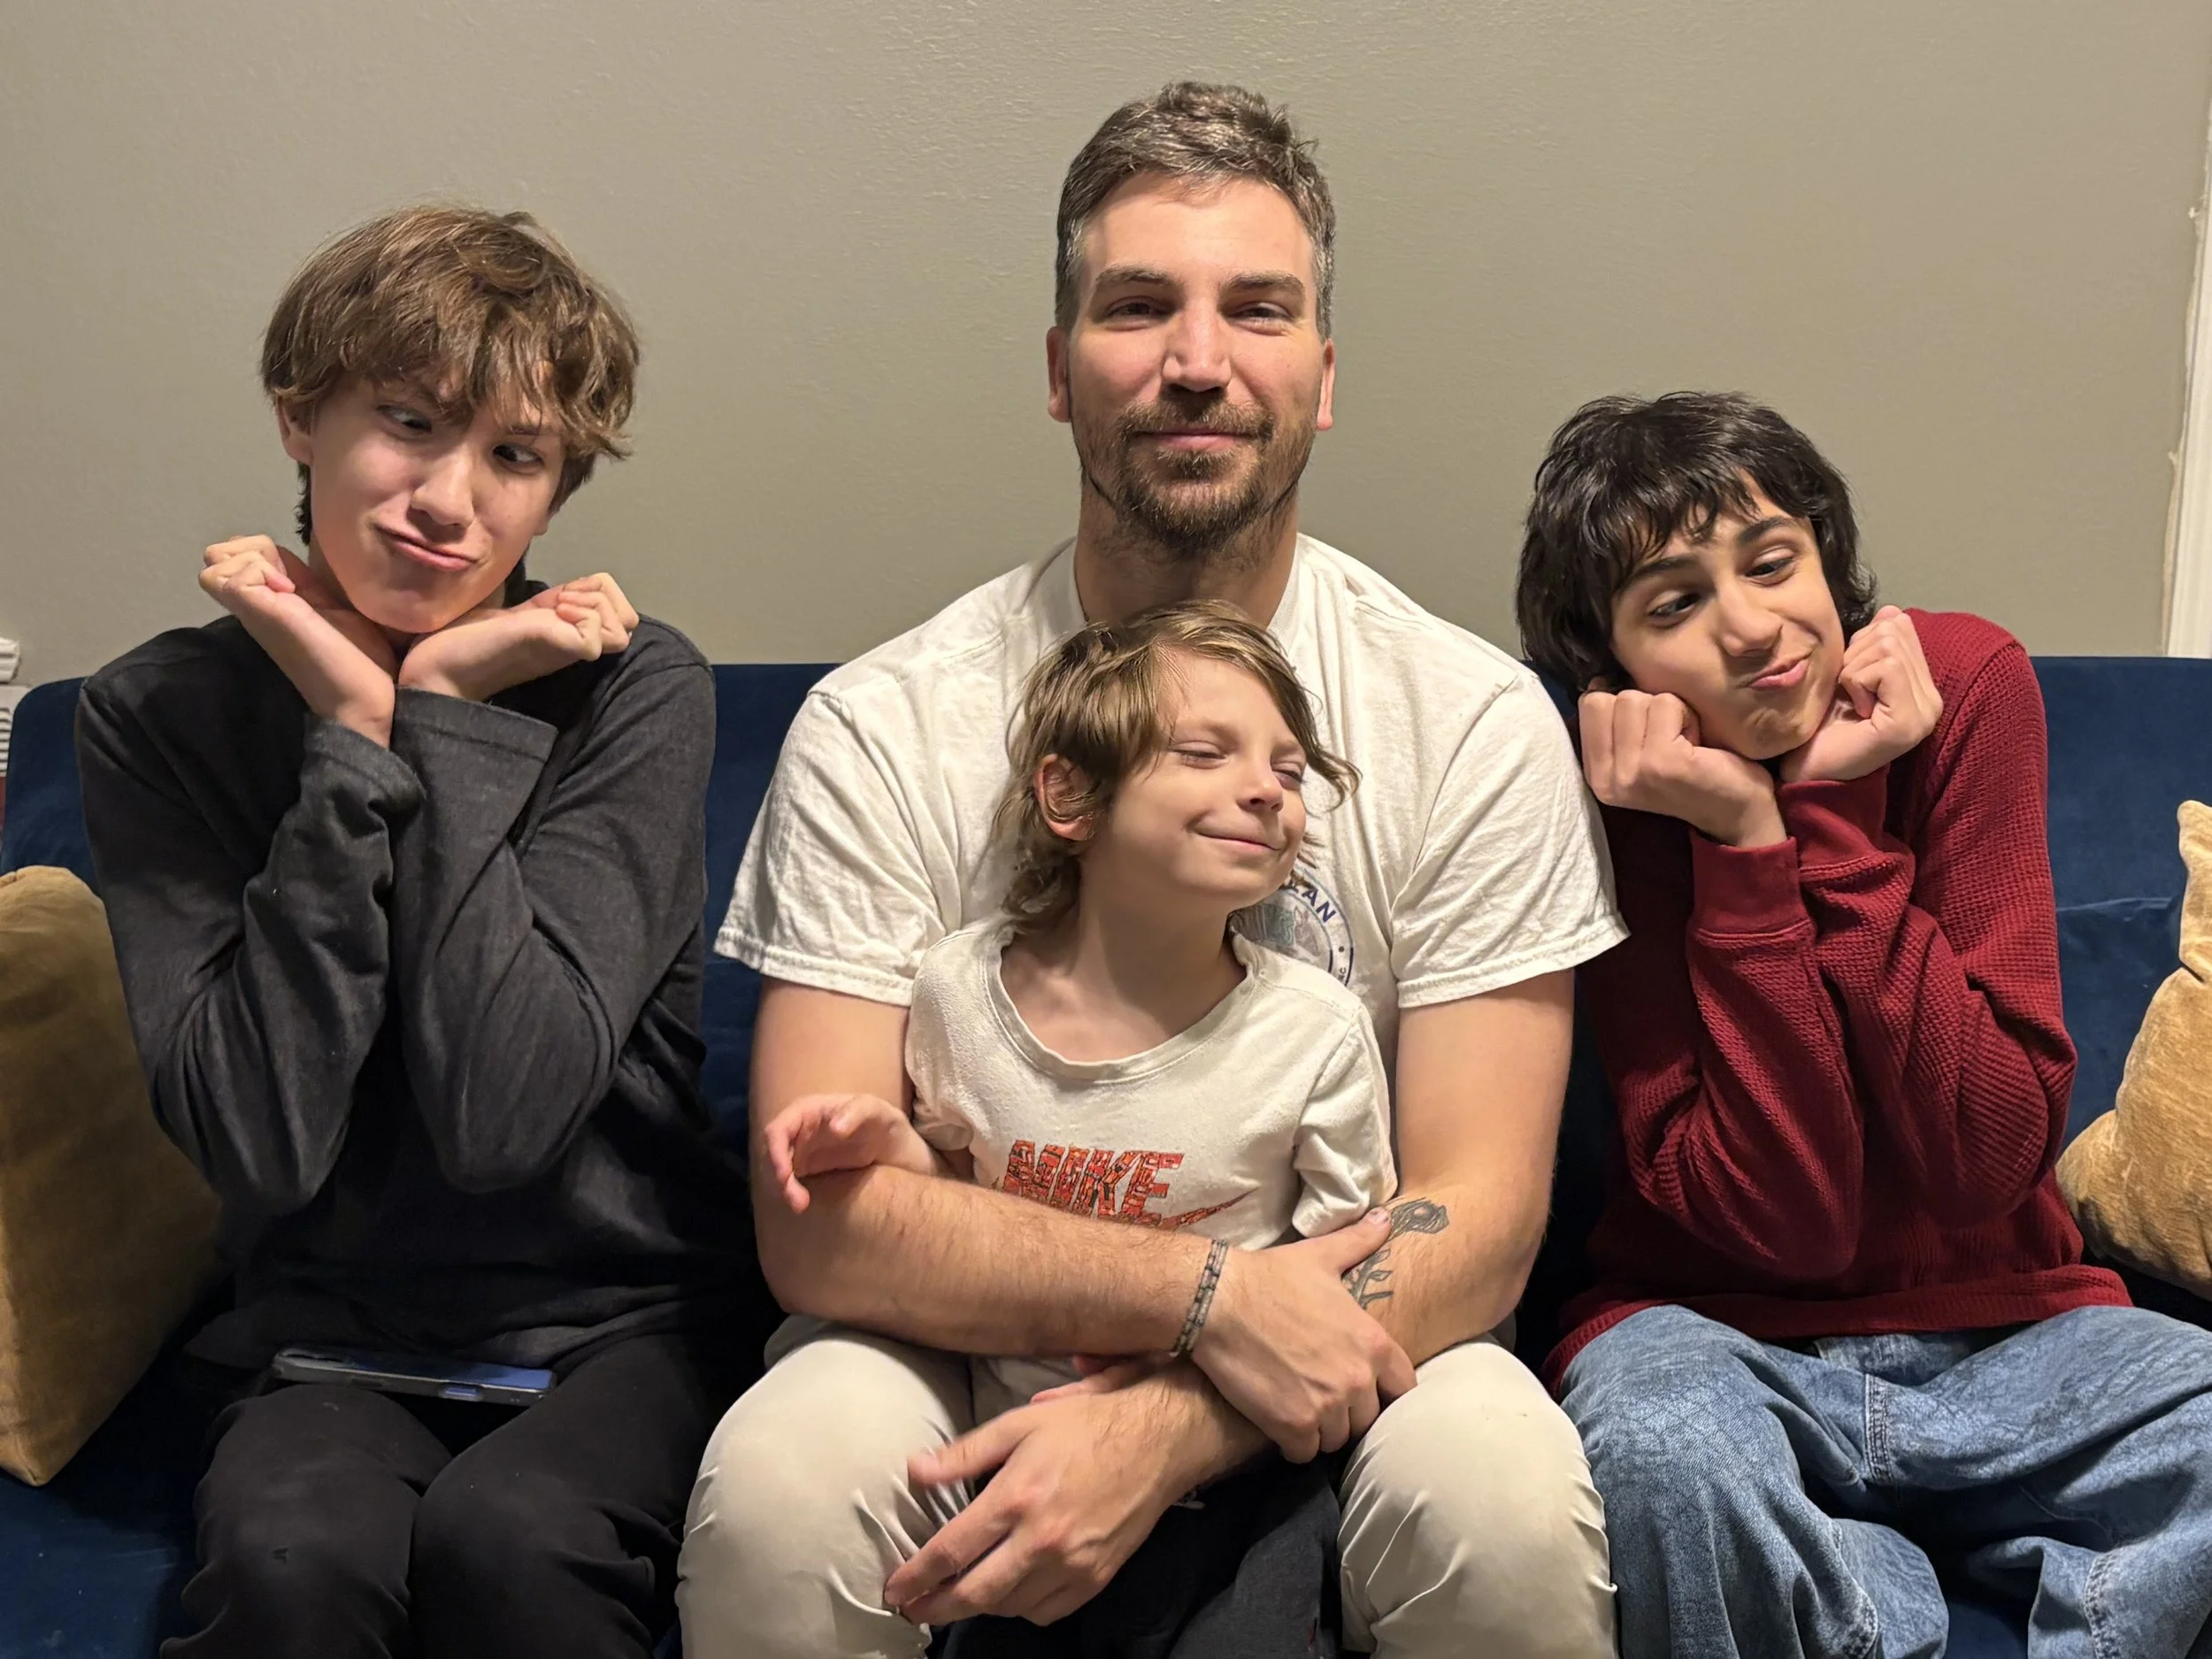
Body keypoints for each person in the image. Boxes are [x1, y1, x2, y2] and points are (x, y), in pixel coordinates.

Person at [680, 83, 1623, 1659]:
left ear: (1323, 379)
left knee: (1505, 1487)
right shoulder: (887, 724)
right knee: (786, 1475)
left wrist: (1173, 1420)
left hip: (1359, 1353)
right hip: (951, 1351)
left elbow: (1479, 1214)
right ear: (1060, 374)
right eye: (1139, 307)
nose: (1199, 360)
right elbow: (824, 1230)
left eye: (1259, 309)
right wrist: (1203, 1300)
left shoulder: (1462, 721)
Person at [75, 204, 769, 1659]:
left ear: (552, 495)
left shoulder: (635, 693)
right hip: (329, 1328)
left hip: (617, 1318)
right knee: (288, 1559)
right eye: (408, 423)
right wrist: (354, 740)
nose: (448, 501)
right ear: (300, 420)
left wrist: (447, 719)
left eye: (512, 457)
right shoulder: (159, 717)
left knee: (512, 1548)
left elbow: (505, 1115)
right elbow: (256, 1140)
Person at [1514, 389, 2212, 1659]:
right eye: (1674, 604)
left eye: (1773, 561)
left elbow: (1990, 1152)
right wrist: (1738, 843)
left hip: (2018, 1329)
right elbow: (1795, 1218)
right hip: (1719, 1334)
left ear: (1828, 556)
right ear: (1616, 676)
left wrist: (1828, 821)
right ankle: (1861, 1604)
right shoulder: (1595, 789)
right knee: (1654, 1442)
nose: (1752, 626)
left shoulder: (1965, 683)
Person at [764, 602, 1395, 1423]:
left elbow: (1343, 1269)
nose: (1265, 792)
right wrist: (903, 1159)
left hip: (1238, 1445)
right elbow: (968, 1210)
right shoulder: (955, 994)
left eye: (1288, 773)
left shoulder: (1316, 1032)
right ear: (1069, 794)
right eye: (1204, 754)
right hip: (993, 1436)